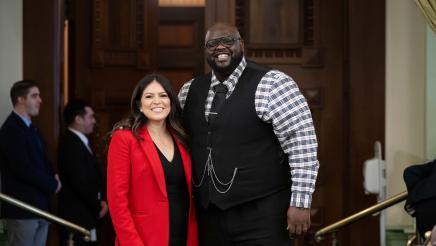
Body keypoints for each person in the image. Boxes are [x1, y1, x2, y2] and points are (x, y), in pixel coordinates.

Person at [178, 22, 320, 245]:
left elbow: (302, 144)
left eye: (227, 41)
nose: (220, 47)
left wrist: (300, 202)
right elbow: (170, 134)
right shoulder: (189, 90)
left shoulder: (273, 83)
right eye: (212, 43)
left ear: (241, 45)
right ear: (205, 50)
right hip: (208, 216)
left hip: (262, 215)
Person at [107, 74, 198, 246]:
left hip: (184, 237)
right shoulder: (124, 138)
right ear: (139, 105)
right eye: (149, 96)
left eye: (163, 95)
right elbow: (117, 202)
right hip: (143, 239)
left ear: (171, 102)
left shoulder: (181, 138)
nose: (157, 101)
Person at [0, 80, 62, 246]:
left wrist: (54, 175)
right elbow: (23, 168)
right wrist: (52, 184)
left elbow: (43, 160)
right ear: (20, 99)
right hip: (23, 209)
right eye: (34, 96)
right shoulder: (11, 129)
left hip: (39, 206)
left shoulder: (32, 128)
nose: (40, 100)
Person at [57, 99, 108, 245]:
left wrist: (102, 199)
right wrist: (98, 205)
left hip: (86, 213)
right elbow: (80, 182)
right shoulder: (71, 144)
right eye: (90, 117)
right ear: (78, 119)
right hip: (76, 215)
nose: (94, 121)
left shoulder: (80, 141)